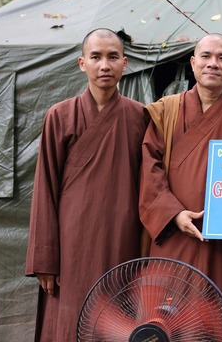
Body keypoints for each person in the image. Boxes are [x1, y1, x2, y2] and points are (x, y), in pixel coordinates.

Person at [139, 33, 222, 342]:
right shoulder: (166, 111)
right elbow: (149, 167)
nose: (213, 63)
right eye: (206, 56)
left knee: (218, 319)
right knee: (165, 323)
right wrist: (173, 214)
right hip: (172, 236)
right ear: (193, 63)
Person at [25, 28, 149, 340]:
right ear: (82, 63)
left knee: (117, 321)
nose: (104, 65)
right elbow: (45, 188)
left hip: (122, 240)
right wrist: (45, 258)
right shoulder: (60, 115)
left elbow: (150, 185)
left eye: (112, 57)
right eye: (96, 57)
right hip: (72, 245)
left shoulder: (140, 116)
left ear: (125, 63)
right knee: (70, 322)